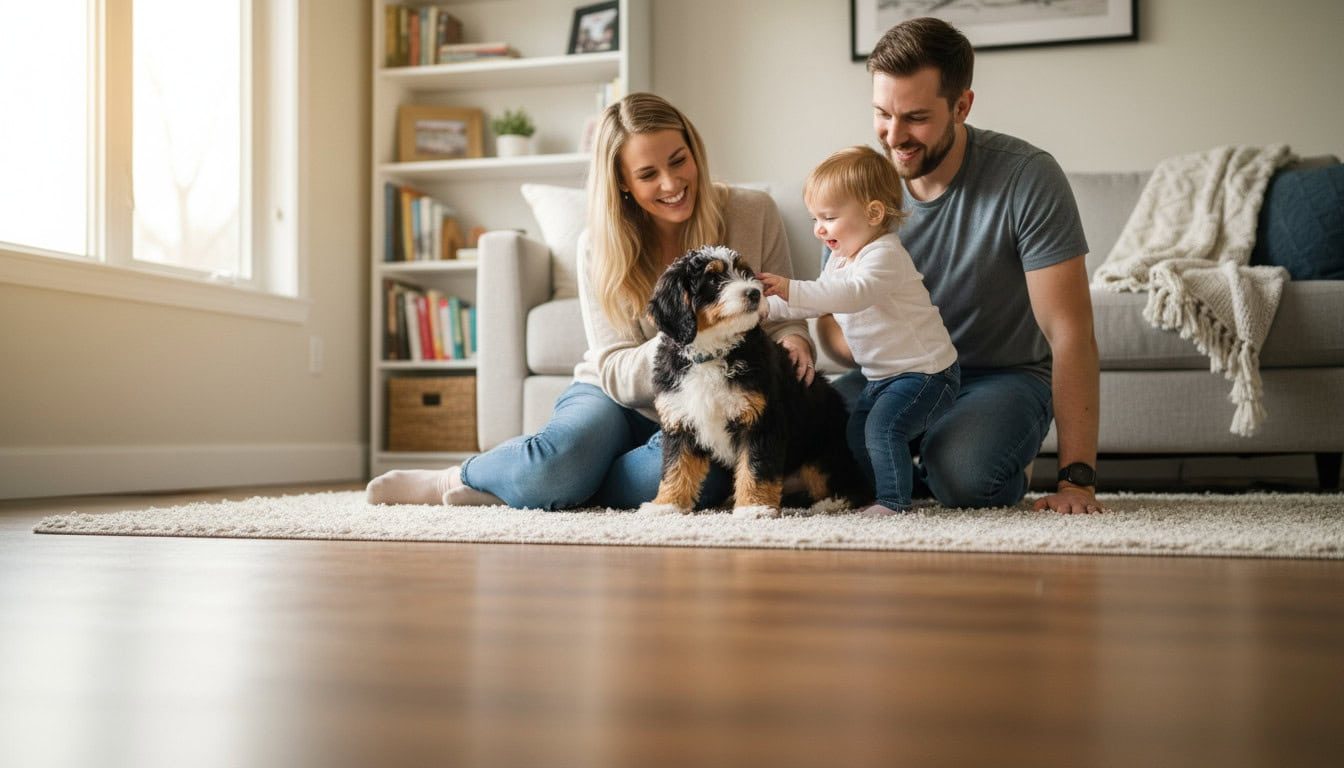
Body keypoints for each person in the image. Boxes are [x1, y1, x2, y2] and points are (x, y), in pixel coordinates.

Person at [367, 92, 816, 510]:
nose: (672, 183)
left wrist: (796, 340)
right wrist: (693, 336)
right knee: (559, 463)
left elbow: (782, 314)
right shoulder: (598, 246)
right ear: (622, 182)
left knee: (701, 482)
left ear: (694, 150)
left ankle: (534, 487)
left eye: (680, 160)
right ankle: (461, 477)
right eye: (648, 174)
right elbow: (615, 371)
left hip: (717, 401)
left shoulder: (753, 211)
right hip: (614, 396)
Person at [816, 17, 1102, 514]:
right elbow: (829, 316)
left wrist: (1077, 482)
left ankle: (970, 456)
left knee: (965, 478)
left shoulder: (1027, 177)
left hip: (999, 376)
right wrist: (877, 345)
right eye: (882, 114)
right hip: (893, 373)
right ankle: (914, 462)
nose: (894, 136)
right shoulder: (861, 182)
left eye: (916, 118)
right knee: (812, 443)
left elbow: (1069, 332)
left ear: (962, 106)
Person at [758, 145, 958, 515]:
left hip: (926, 374)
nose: (819, 228)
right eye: (815, 218)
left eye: (829, 217)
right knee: (855, 433)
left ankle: (893, 502)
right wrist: (766, 307)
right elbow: (816, 301)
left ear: (874, 213)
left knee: (882, 429)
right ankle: (899, 487)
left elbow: (852, 294)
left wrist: (789, 287)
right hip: (883, 376)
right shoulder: (840, 259)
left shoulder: (885, 254)